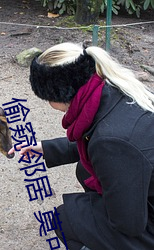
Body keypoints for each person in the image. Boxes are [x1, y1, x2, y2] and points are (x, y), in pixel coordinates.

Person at [8, 42, 154, 250]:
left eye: (47, 98)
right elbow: (100, 139)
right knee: (85, 170)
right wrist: (46, 148)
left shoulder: (111, 142)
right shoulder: (114, 88)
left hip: (145, 223)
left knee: (64, 218)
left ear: (59, 93)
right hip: (145, 187)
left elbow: (129, 224)